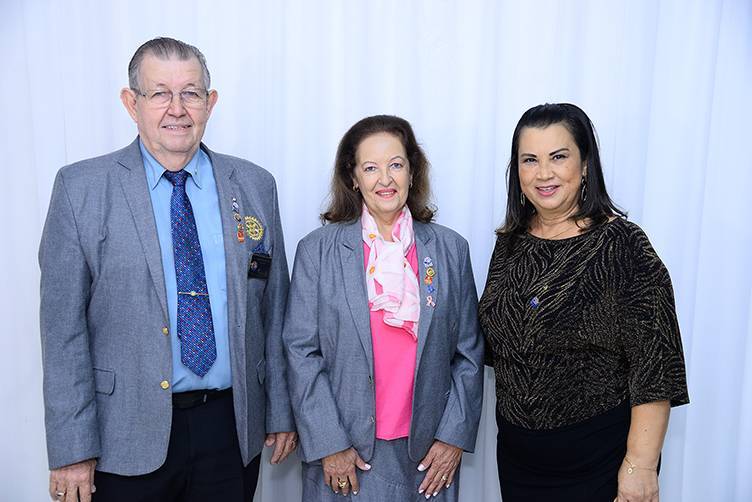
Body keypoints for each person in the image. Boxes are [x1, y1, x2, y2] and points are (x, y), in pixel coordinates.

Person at [39, 37, 297, 502]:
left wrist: (279, 410)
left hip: (231, 429)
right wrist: (72, 449)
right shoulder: (81, 190)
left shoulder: (255, 185)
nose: (176, 109)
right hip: (122, 435)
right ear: (131, 103)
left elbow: (275, 310)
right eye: (160, 93)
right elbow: (62, 332)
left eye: (190, 93)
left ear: (210, 103)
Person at [479, 103, 690, 502]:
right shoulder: (510, 244)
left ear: (586, 165)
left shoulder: (623, 246)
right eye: (530, 160)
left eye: (558, 157)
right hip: (518, 462)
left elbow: (655, 366)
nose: (544, 173)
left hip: (600, 463)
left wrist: (641, 467)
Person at [283, 115, 484, 501]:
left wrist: (452, 437)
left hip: (428, 454)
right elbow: (300, 352)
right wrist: (329, 443)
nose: (385, 179)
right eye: (371, 168)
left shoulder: (450, 249)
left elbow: (469, 354)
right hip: (346, 453)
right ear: (353, 178)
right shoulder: (317, 251)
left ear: (412, 171)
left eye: (396, 164)